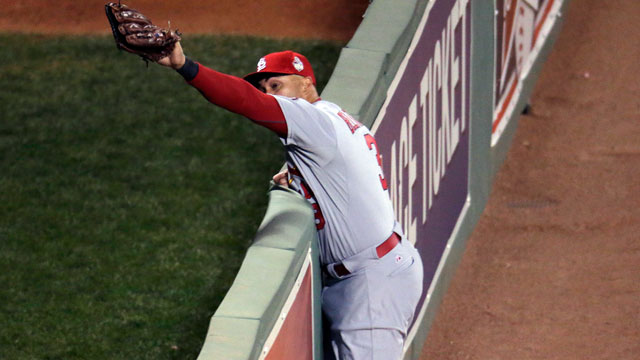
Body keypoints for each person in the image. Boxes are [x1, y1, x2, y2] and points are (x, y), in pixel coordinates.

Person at [157, 42, 423, 359]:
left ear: (307, 83)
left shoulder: (311, 120)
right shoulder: (333, 118)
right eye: (263, 88)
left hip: (371, 284)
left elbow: (246, 101)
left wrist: (185, 66)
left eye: (276, 84)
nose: (269, 94)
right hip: (374, 268)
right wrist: (300, 182)